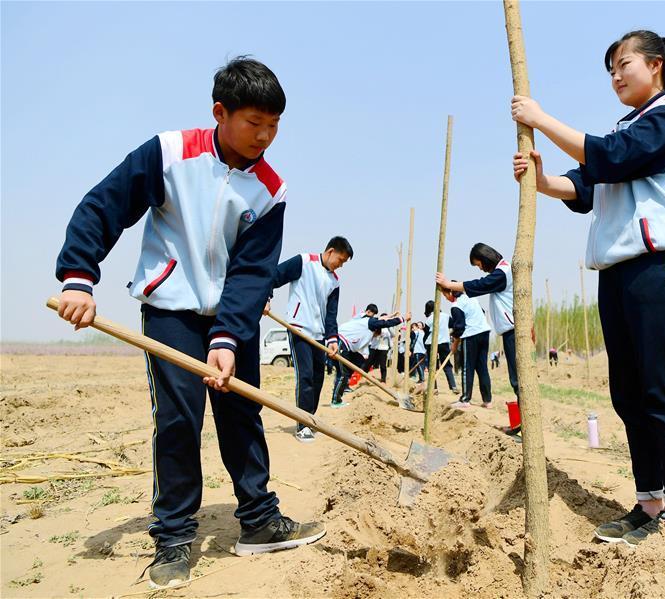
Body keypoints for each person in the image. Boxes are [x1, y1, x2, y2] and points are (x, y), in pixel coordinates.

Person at [54, 57, 324, 587]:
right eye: (254, 123)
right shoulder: (168, 153)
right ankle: (174, 537)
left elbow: (252, 272)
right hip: (170, 309)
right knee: (179, 418)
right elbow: (103, 207)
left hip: (231, 317)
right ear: (220, 112)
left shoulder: (270, 189)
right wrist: (79, 278)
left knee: (242, 412)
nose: (265, 136)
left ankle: (259, 520)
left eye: (274, 126)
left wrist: (228, 336)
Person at [511, 30, 665, 545]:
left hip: (659, 266)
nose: (616, 76)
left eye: (624, 64)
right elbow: (587, 186)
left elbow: (611, 156)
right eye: (610, 69)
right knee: (629, 395)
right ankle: (648, 503)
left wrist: (541, 118)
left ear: (656, 65)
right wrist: (542, 178)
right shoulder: (625, 129)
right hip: (616, 272)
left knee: (664, 391)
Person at [269, 236, 353, 442]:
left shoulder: (334, 281)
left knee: (318, 378)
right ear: (331, 251)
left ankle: (310, 418)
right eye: (340, 260)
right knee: (305, 376)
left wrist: (332, 339)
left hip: (319, 335)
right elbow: (275, 276)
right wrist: (266, 297)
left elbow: (331, 314)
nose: (340, 266)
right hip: (298, 329)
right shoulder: (304, 262)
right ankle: (303, 425)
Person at [437, 243, 519, 434]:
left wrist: (448, 284)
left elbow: (480, 285)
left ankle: (466, 399)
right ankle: (497, 407)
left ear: (486, 259)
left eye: (479, 264)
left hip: (491, 333)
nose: (480, 268)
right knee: (484, 369)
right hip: (489, 332)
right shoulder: (500, 273)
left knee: (511, 378)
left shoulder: (502, 273)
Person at [333, 304, 407, 406]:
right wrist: (402, 319)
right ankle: (336, 400)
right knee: (342, 374)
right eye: (376, 334)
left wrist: (392, 315)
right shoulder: (369, 323)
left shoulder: (365, 320)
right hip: (341, 342)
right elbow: (384, 323)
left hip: (347, 347)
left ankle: (344, 384)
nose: (374, 337)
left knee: (359, 361)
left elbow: (381, 319)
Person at [440, 286, 492, 409]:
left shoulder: (456, 306)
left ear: (450, 292)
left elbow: (459, 328)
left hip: (471, 336)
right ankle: (487, 401)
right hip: (484, 333)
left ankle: (465, 399)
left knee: (467, 367)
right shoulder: (472, 298)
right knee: (482, 368)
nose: (446, 298)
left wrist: (454, 344)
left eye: (445, 295)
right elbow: (482, 312)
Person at [423, 300, 459, 393]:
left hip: (431, 344)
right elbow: (454, 326)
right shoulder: (446, 316)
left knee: (432, 366)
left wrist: (425, 347)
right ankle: (453, 386)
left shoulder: (429, 319)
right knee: (447, 365)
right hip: (444, 343)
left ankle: (433, 388)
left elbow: (426, 335)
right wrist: (449, 334)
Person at [363, 313, 391, 383]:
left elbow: (392, 335)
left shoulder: (388, 328)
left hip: (383, 348)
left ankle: (383, 380)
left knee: (383, 365)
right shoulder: (375, 326)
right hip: (374, 347)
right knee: (368, 363)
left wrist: (389, 326)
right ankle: (363, 376)